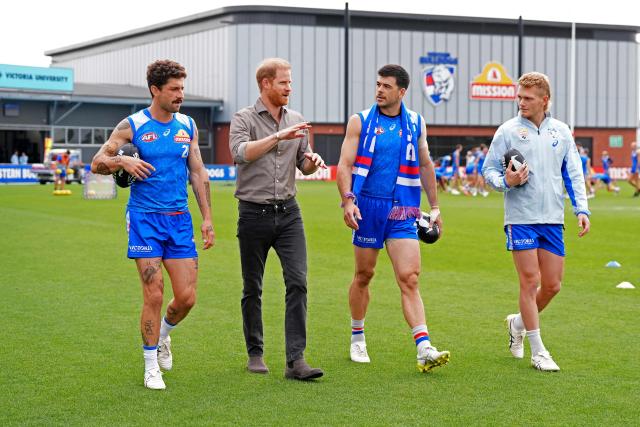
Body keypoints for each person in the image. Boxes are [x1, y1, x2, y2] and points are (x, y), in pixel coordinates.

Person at [90, 60, 215, 390]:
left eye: (182, 88)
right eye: (174, 89)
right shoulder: (131, 125)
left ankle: (162, 336)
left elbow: (198, 172)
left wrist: (207, 219)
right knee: (154, 293)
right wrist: (122, 159)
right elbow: (97, 163)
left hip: (179, 220)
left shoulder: (188, 125)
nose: (180, 95)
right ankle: (150, 366)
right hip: (144, 219)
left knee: (186, 298)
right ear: (155, 90)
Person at [336, 64, 449, 373]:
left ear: (401, 92)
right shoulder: (360, 121)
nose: (379, 90)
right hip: (368, 208)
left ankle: (424, 347)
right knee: (364, 275)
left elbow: (425, 165)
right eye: (378, 84)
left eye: (386, 86)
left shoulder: (415, 123)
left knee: (410, 278)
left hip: (403, 208)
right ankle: (357, 335)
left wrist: (435, 206)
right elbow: (344, 165)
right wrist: (348, 201)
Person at [482, 71, 590, 372]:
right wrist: (506, 180)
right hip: (521, 218)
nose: (521, 102)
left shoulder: (561, 131)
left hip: (553, 219)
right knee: (530, 282)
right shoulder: (507, 131)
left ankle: (517, 323)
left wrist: (581, 208)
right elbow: (487, 169)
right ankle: (538, 350)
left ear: (545, 100)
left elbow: (574, 172)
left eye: (527, 98)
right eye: (519, 96)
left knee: (552, 286)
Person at [229, 58, 325, 380]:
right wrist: (279, 137)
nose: (289, 88)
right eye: (284, 82)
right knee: (252, 287)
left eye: (290, 82)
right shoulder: (243, 118)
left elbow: (303, 164)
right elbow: (241, 152)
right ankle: (255, 353)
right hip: (252, 213)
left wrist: (312, 161)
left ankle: (295, 361)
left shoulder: (296, 121)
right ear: (266, 84)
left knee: (298, 282)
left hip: (288, 213)